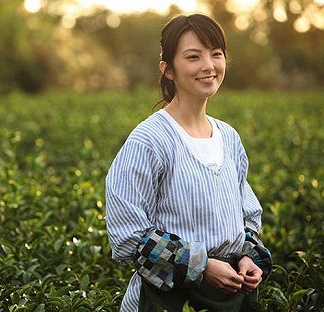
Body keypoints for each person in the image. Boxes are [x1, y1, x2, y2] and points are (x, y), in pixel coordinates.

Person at [105, 14, 272, 312]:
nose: (209, 66)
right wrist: (202, 265)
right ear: (167, 69)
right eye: (193, 57)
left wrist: (248, 257)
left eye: (216, 54)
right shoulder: (149, 139)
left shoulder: (229, 138)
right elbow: (129, 235)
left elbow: (245, 217)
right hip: (168, 300)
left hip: (229, 297)